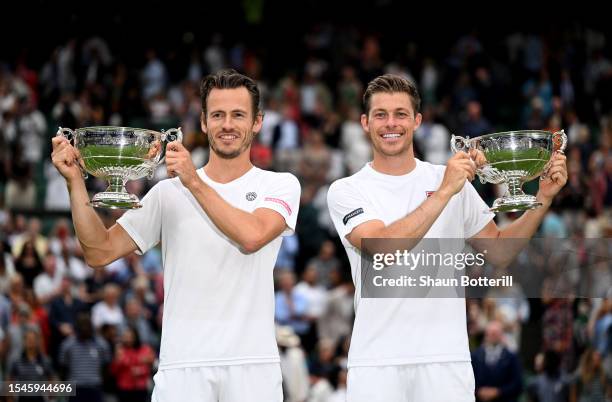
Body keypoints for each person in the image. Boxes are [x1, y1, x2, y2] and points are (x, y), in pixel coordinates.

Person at [51, 69, 301, 402]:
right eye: (218, 115)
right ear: (203, 121)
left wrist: (194, 182)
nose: (227, 124)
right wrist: (74, 181)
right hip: (182, 366)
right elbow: (99, 252)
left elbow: (252, 236)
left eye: (238, 115)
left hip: (252, 366)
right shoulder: (168, 193)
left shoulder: (280, 184)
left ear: (257, 122)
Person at [326, 73, 568, 402]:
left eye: (401, 114)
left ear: (417, 121)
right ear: (365, 123)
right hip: (376, 361)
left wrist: (542, 199)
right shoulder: (347, 190)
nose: (391, 123)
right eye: (381, 115)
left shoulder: (448, 179)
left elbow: (499, 252)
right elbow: (381, 247)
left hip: (446, 360)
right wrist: (443, 192)